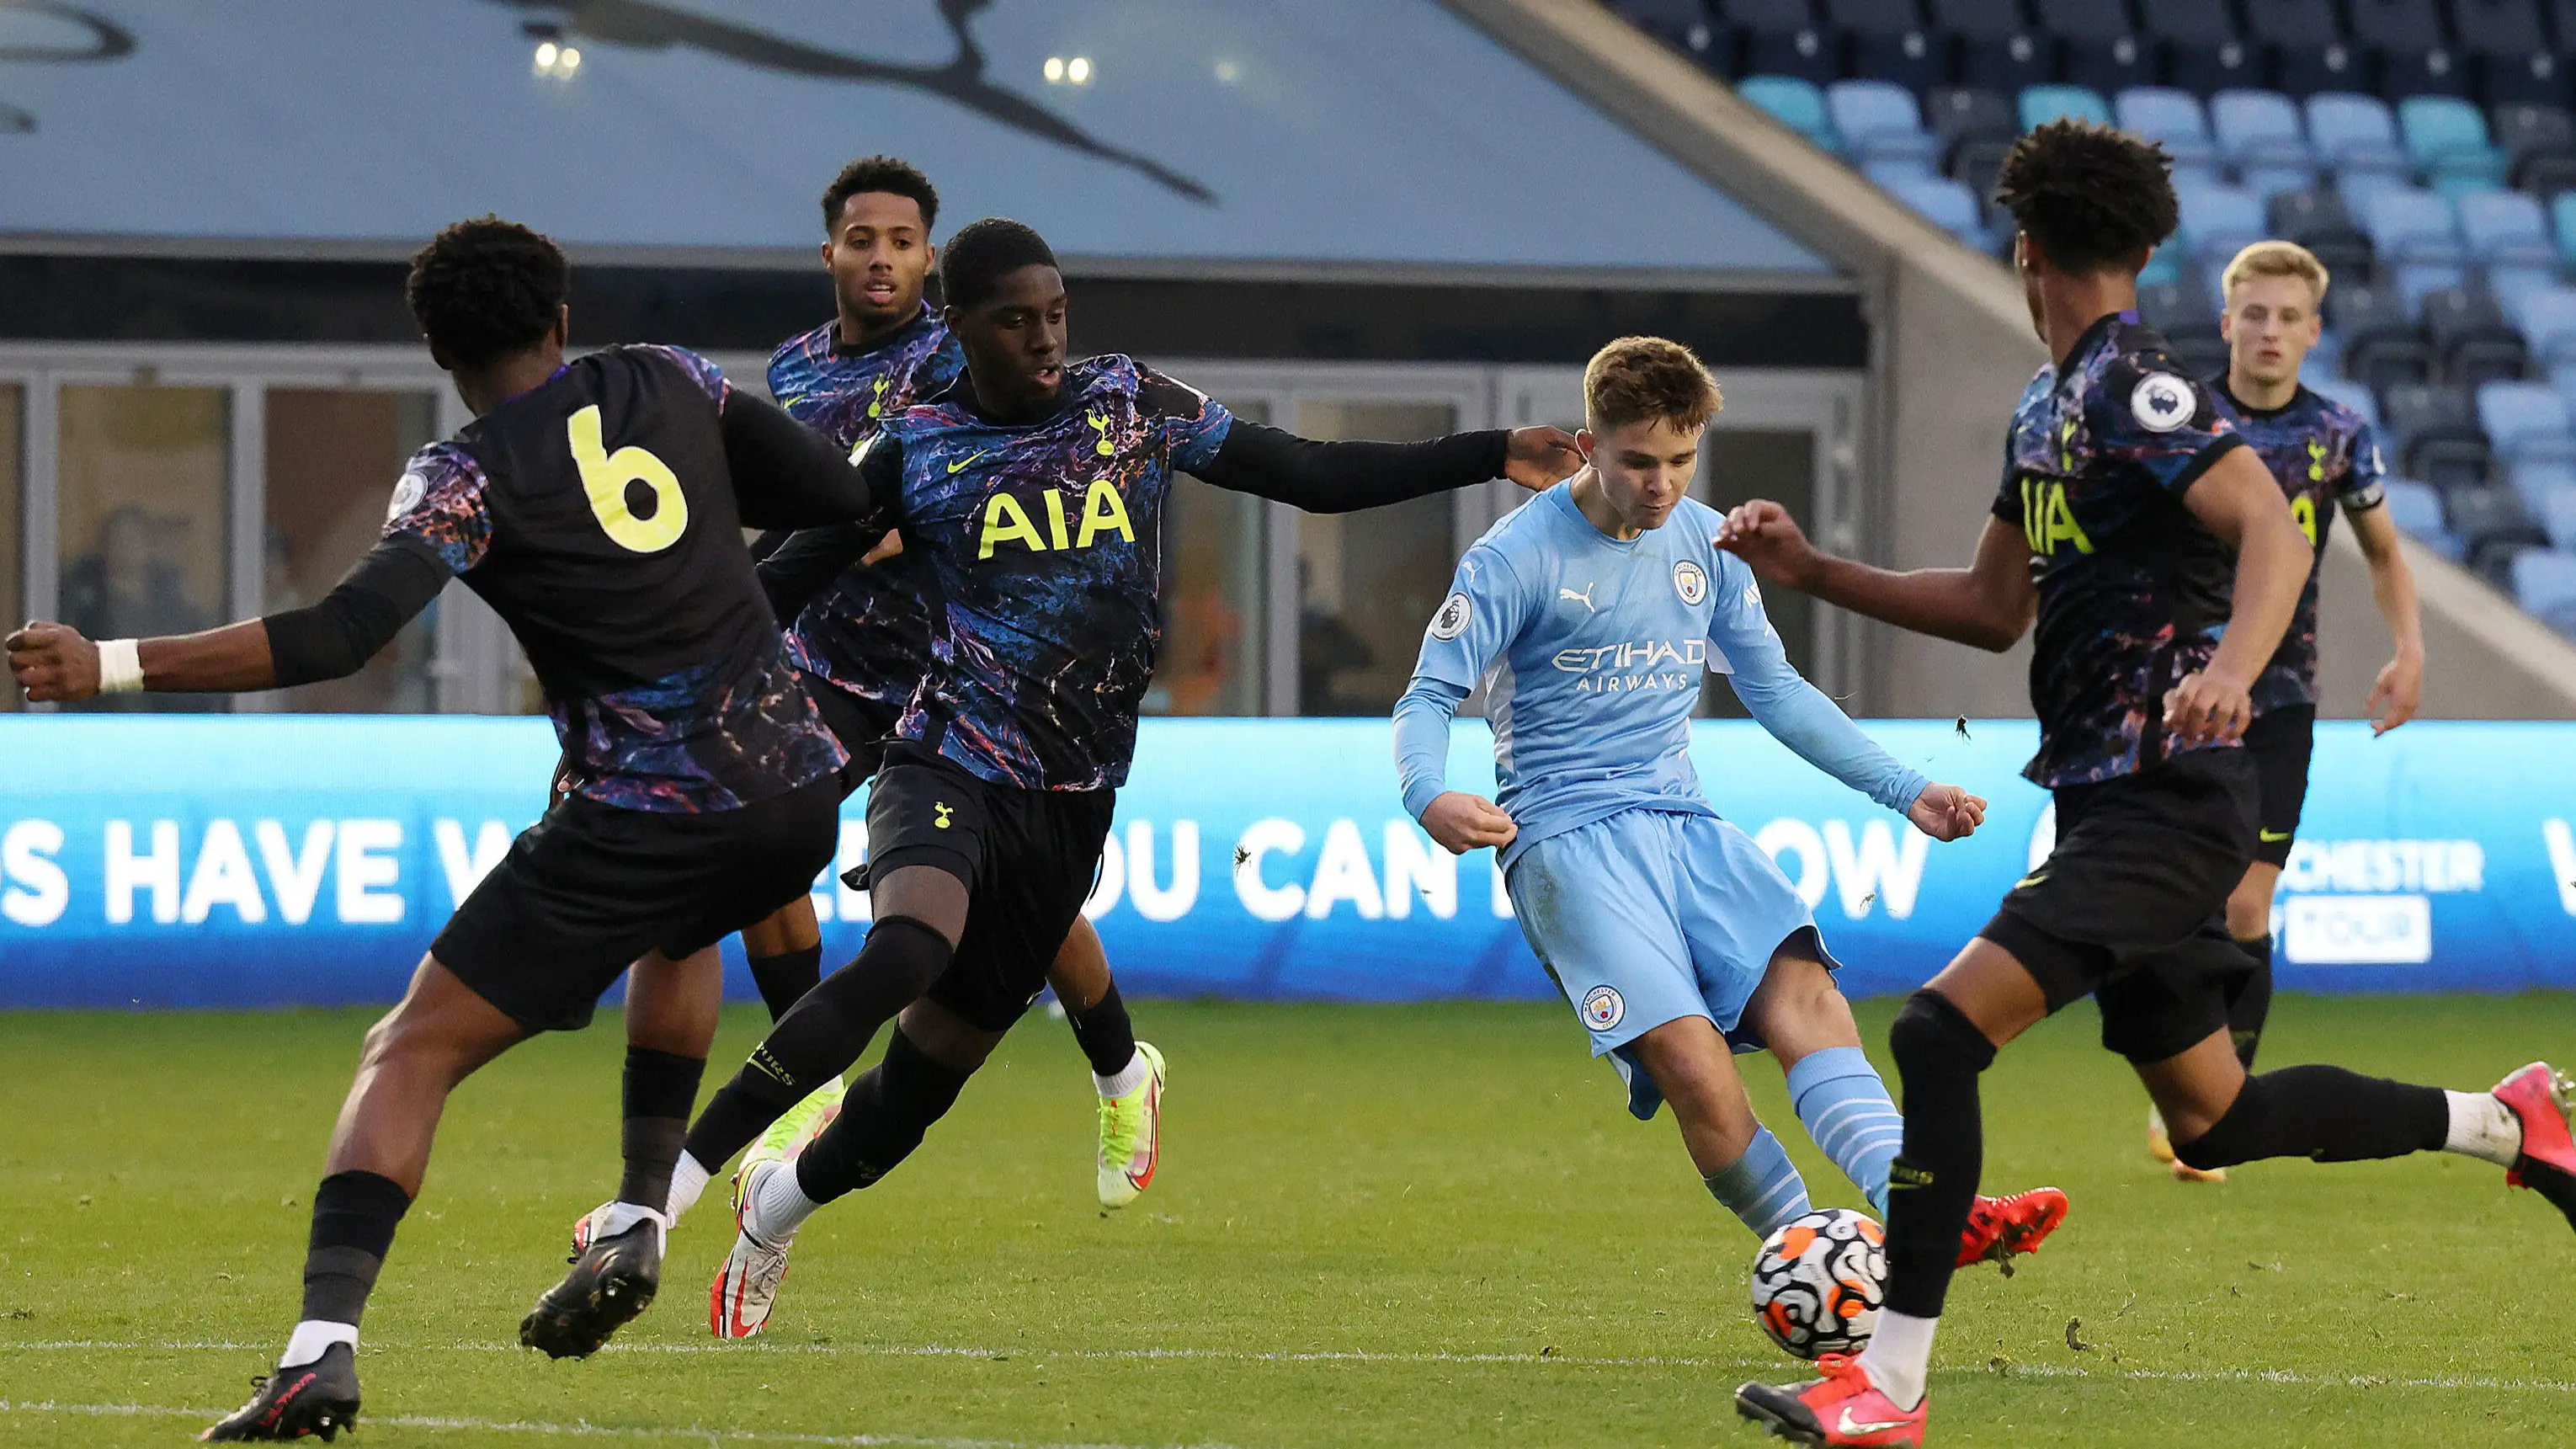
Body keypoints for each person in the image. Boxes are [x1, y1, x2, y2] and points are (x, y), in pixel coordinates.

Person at [1719, 121, 2576, 1446]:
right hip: (2111, 796)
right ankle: (2507, 1123)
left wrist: (2235, 668)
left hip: (2165, 795)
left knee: (1938, 1034)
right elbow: (1997, 606)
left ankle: (1887, 1384)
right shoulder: (2045, 403)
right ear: (2147, 247)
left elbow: (2276, 528)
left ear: (2025, 249)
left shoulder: (2137, 388)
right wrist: (1821, 570)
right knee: (2217, 1117)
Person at [8, 216, 893, 1441]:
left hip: (645, 806)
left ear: (434, 347)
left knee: (409, 1047)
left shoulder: (463, 473)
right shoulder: (671, 376)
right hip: (794, 786)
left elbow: (337, 637)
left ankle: (318, 1352)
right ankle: (640, 1213)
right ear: (562, 320)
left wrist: (105, 660)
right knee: (683, 927)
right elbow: (840, 494)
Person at [675, 216, 1588, 1340]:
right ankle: (666, 1189)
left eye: (1056, 313)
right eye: (1017, 321)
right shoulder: (913, 446)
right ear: (958, 328)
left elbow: (1306, 472)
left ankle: (776, 1205)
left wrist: (1487, 450)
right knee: (910, 944)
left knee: (916, 1096)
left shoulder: (1130, 403)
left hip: (1072, 795)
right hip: (946, 752)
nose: (1046, 339)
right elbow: (785, 579)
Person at [1394, 335, 2066, 1274]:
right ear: (1590, 443)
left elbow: (1778, 691)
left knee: (1810, 998)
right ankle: (1813, 1265)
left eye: (1680, 459)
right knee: (1696, 1071)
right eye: (1637, 460)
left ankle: (1924, 1213)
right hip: (1564, 838)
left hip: (1683, 820)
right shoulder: (1516, 556)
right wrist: (1430, 793)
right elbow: (1426, 697)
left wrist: (1907, 788)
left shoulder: (1708, 548)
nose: (1661, 483)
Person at [714, 154, 1169, 1212]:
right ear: (828, 252)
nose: (882, 260)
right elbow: (807, 512)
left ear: (931, 259)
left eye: (903, 242)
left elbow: (958, 494)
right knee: (760, 834)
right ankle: (815, 1083)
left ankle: (1118, 1067)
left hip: (957, 672)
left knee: (1027, 915)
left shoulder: (963, 360)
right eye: (862, 241)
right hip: (831, 667)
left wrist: (881, 530)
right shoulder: (795, 371)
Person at [2144, 238, 2426, 1183]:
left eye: (2287, 317)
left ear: (2313, 330)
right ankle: (2186, 1075)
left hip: (2280, 702)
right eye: (2252, 313)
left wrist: (2410, 647)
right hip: (2177, 694)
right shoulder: (2180, 416)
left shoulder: (2338, 433)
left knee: (2246, 903)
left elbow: (2384, 550)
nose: (2269, 330)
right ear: (2227, 322)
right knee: (2176, 899)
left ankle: (2216, 1111)